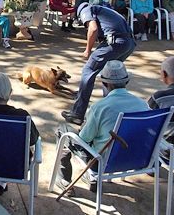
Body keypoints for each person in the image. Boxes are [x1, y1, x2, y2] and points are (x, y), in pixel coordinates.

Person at [54, 61, 149, 194]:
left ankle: (64, 180)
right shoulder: (143, 105)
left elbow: (84, 138)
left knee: (62, 130)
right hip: (137, 159)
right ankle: (91, 178)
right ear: (126, 81)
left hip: (103, 162)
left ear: (105, 84)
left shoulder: (100, 107)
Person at [61, 3, 135, 125]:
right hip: (129, 43)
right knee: (110, 77)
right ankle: (113, 112)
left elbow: (93, 28)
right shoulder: (106, 10)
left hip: (115, 42)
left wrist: (87, 50)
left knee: (88, 71)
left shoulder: (86, 9)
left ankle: (77, 114)